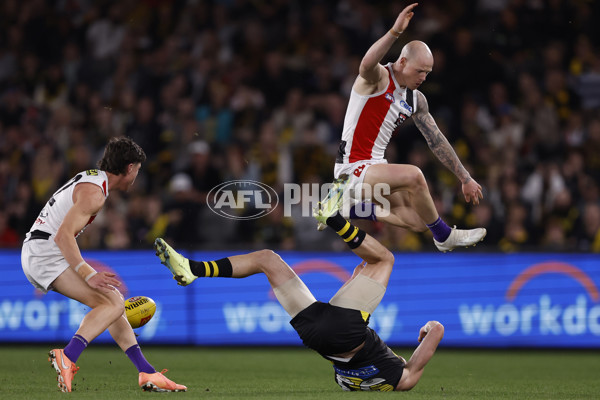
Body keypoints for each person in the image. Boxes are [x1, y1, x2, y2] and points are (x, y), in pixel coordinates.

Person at [153, 202, 444, 392]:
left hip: (343, 330)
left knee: (385, 260)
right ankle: (192, 269)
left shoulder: (401, 376)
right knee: (267, 260)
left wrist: (430, 327)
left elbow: (433, 338)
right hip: (316, 336)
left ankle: (334, 218)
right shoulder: (367, 379)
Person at [21, 137, 186, 393]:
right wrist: (88, 274)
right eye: (138, 170)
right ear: (129, 168)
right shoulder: (95, 193)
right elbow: (63, 236)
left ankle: (147, 372)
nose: (137, 177)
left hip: (40, 250)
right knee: (112, 303)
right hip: (44, 253)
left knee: (112, 302)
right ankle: (68, 356)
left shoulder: (95, 180)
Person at [323, 3, 486, 252]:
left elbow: (436, 140)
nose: (423, 77)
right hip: (352, 168)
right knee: (415, 176)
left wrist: (465, 178)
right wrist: (395, 32)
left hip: (376, 168)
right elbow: (365, 65)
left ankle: (345, 207)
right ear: (401, 62)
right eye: (419, 70)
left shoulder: (417, 100)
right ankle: (444, 237)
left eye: (428, 73)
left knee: (419, 221)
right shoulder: (379, 78)